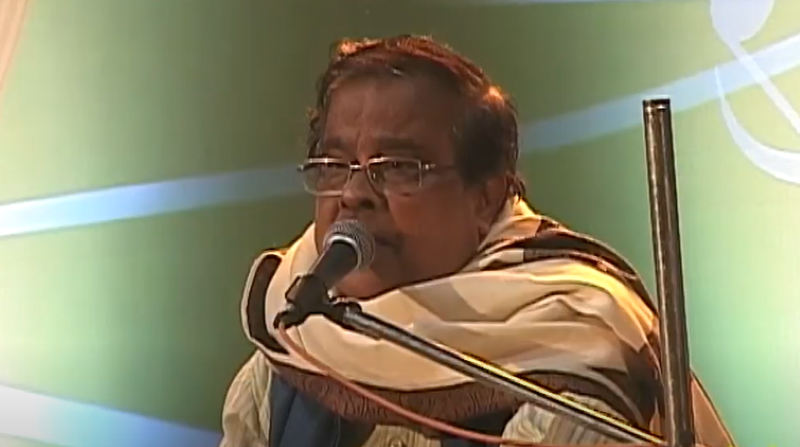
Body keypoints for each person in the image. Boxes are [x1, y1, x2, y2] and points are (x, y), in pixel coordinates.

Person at [219, 35, 735, 447]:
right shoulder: (295, 336)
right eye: (335, 165)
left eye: (397, 168)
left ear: (485, 198)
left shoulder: (572, 344)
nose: (354, 195)